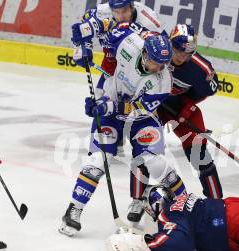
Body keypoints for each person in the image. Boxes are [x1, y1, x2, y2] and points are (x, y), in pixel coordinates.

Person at [58, 23, 186, 237]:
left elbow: (137, 110)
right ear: (144, 52)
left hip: (140, 118)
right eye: (155, 62)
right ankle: (73, 210)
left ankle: (185, 204)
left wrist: (105, 106)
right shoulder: (128, 42)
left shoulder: (163, 82)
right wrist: (83, 43)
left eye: (163, 64)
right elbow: (102, 26)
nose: (158, 68)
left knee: (153, 161)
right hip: (111, 102)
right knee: (99, 159)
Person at [70, 0, 167, 223]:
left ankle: (138, 198)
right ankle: (75, 208)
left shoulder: (150, 21)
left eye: (125, 10)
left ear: (133, 7)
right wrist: (80, 49)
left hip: (141, 83)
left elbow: (160, 59)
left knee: (144, 151)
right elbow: (81, 31)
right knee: (100, 154)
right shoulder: (103, 12)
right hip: (114, 73)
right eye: (117, 11)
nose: (121, 15)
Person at [127, 24, 223, 223]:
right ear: (169, 43)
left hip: (181, 107)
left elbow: (209, 90)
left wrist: (186, 109)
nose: (180, 57)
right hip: (152, 106)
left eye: (186, 54)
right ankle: (137, 200)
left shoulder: (201, 69)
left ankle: (217, 204)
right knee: (143, 153)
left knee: (200, 156)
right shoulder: (155, 47)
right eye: (177, 51)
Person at [106, 185, 239, 251]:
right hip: (238, 204)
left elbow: (181, 244)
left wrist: (139, 245)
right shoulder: (182, 198)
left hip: (230, 224)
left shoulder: (169, 213)